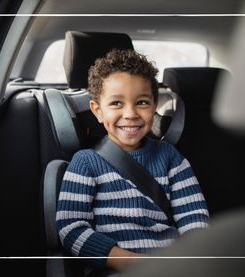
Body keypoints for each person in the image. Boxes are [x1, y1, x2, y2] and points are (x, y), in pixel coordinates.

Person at [55, 49, 209, 274]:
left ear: (154, 106)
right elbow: (71, 228)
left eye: (142, 102)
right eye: (116, 103)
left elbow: (194, 218)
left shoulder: (171, 158)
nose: (130, 113)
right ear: (97, 111)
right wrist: (124, 260)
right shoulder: (86, 163)